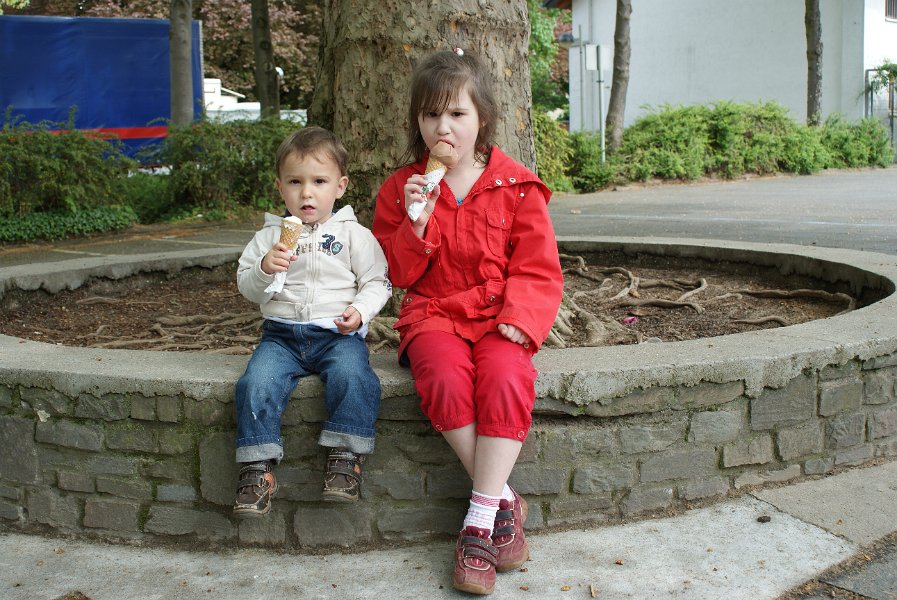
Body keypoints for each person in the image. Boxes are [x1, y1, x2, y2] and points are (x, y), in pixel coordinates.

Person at [372, 49, 564, 595]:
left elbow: (537, 267)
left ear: (482, 118)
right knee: (442, 377)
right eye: (431, 114)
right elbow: (398, 274)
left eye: (457, 113)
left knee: (506, 377)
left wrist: (521, 319)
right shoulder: (402, 188)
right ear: (417, 121)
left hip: (499, 314)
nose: (443, 127)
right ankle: (501, 503)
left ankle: (477, 524)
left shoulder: (516, 187)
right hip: (434, 312)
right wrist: (415, 222)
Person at [233, 126, 392, 517]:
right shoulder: (268, 237)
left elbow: (378, 281)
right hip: (281, 337)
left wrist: (361, 310)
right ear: (280, 187)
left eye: (319, 181)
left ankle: (346, 458)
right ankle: (257, 467)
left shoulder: (354, 235)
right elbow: (248, 287)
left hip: (337, 335)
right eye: (295, 182)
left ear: (340, 186)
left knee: (354, 376)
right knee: (255, 382)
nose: (307, 193)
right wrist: (265, 269)